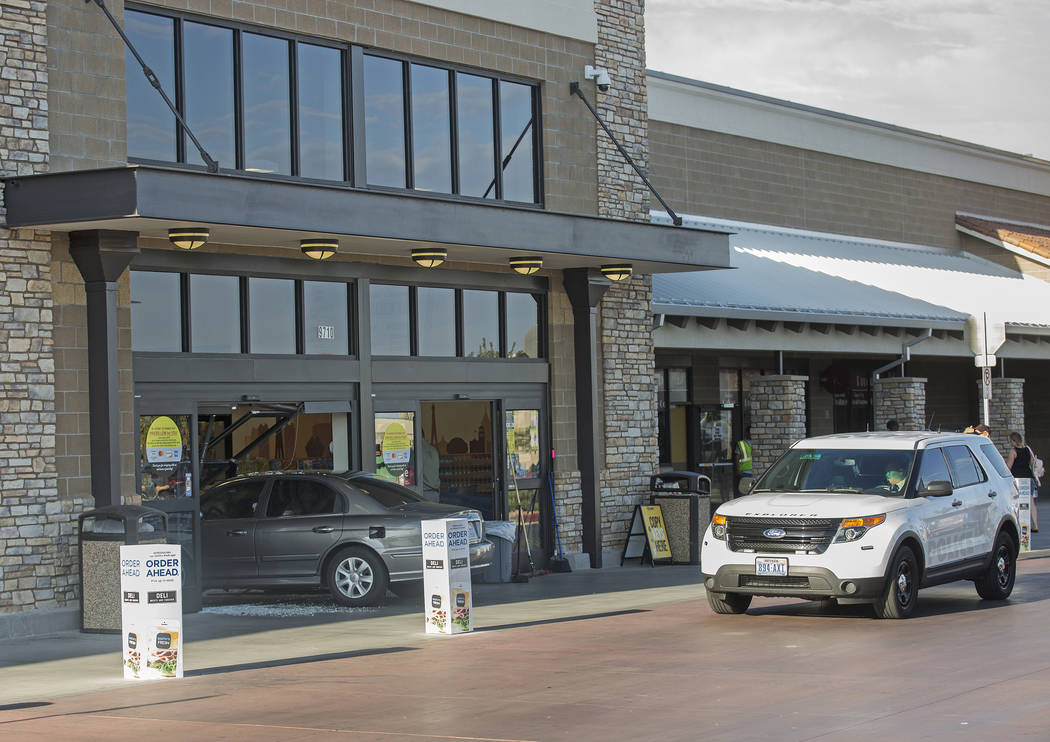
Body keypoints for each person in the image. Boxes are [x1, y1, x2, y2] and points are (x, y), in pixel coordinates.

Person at [1006, 431, 1039, 532]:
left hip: (1017, 479)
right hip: (1028, 478)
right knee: (1031, 502)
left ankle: (1019, 524)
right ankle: (1035, 525)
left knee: (1016, 502)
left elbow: (1009, 467)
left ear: (1013, 441)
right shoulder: (1027, 449)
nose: (1010, 443)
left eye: (1010, 441)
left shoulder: (1013, 451)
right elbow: (1033, 463)